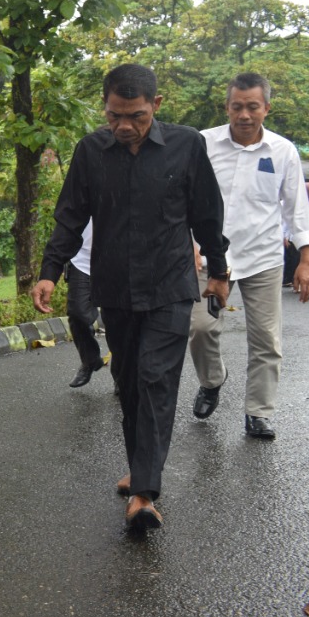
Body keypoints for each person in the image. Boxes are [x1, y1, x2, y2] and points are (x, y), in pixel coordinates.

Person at [32, 63, 229, 533]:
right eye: (114, 115)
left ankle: (144, 493)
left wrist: (219, 272)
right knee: (128, 380)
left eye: (136, 116)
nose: (124, 126)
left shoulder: (186, 146)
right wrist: (50, 273)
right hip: (115, 289)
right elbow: (70, 217)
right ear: (105, 107)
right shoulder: (91, 151)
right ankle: (141, 469)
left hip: (170, 286)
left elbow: (207, 215)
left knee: (156, 377)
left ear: (155, 107)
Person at [186, 73, 309, 440]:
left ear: (266, 108)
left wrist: (305, 257)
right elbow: (183, 198)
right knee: (200, 329)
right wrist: (189, 242)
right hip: (210, 257)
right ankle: (212, 380)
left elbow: (295, 209)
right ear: (227, 107)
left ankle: (258, 412)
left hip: (262, 258)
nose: (244, 115)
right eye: (237, 106)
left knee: (266, 340)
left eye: (252, 106)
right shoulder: (202, 144)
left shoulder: (282, 151)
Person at [67, 221, 108, 388]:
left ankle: (122, 374)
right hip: (81, 260)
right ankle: (89, 360)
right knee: (77, 314)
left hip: (117, 259)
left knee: (118, 321)